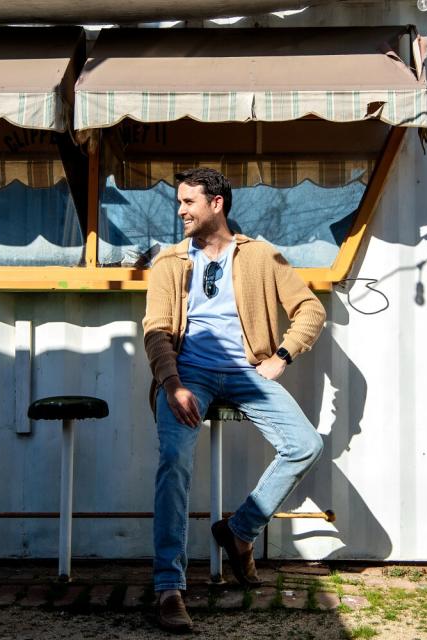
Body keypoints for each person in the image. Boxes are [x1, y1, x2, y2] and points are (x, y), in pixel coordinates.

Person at [143, 168, 326, 632]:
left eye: (189, 202)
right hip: (189, 375)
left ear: (217, 204)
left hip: (248, 370)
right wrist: (171, 383)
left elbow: (310, 308)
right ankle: (169, 586)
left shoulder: (261, 256)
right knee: (174, 461)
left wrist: (282, 356)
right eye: (178, 203)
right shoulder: (169, 262)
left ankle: (239, 531)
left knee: (305, 443)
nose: (180, 211)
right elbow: (157, 331)